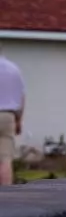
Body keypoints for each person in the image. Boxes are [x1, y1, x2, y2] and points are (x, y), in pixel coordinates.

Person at [0, 47, 25, 186]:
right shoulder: (14, 69)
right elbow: (21, 96)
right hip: (8, 116)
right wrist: (19, 120)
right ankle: (6, 194)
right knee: (5, 158)